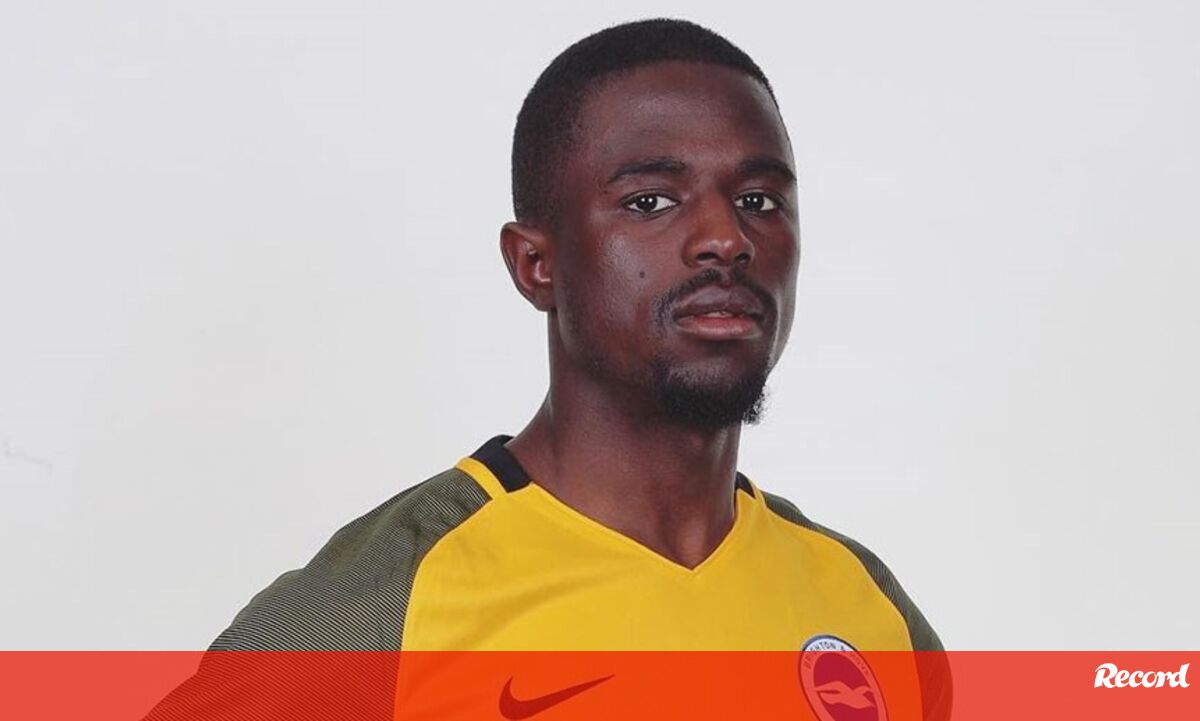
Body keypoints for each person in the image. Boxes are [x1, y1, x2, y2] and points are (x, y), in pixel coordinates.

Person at [146, 17, 950, 720]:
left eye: (759, 201)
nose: (725, 238)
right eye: (650, 201)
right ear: (535, 264)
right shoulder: (374, 617)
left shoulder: (870, 611)